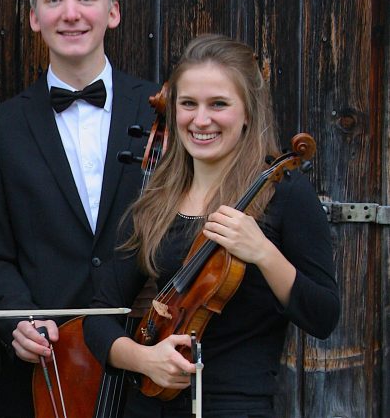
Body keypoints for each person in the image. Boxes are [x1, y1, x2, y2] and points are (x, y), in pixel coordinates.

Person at [83, 34, 340, 417]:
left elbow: (323, 316)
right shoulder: (157, 198)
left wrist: (264, 253)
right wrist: (143, 358)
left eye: (218, 104)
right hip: (149, 407)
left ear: (248, 112)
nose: (201, 120)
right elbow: (99, 317)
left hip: (235, 407)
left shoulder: (284, 194)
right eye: (188, 104)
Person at [0, 0, 159, 417]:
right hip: (49, 367)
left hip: (148, 355)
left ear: (113, 12)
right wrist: (19, 320)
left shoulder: (160, 109)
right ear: (36, 18)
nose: (71, 13)